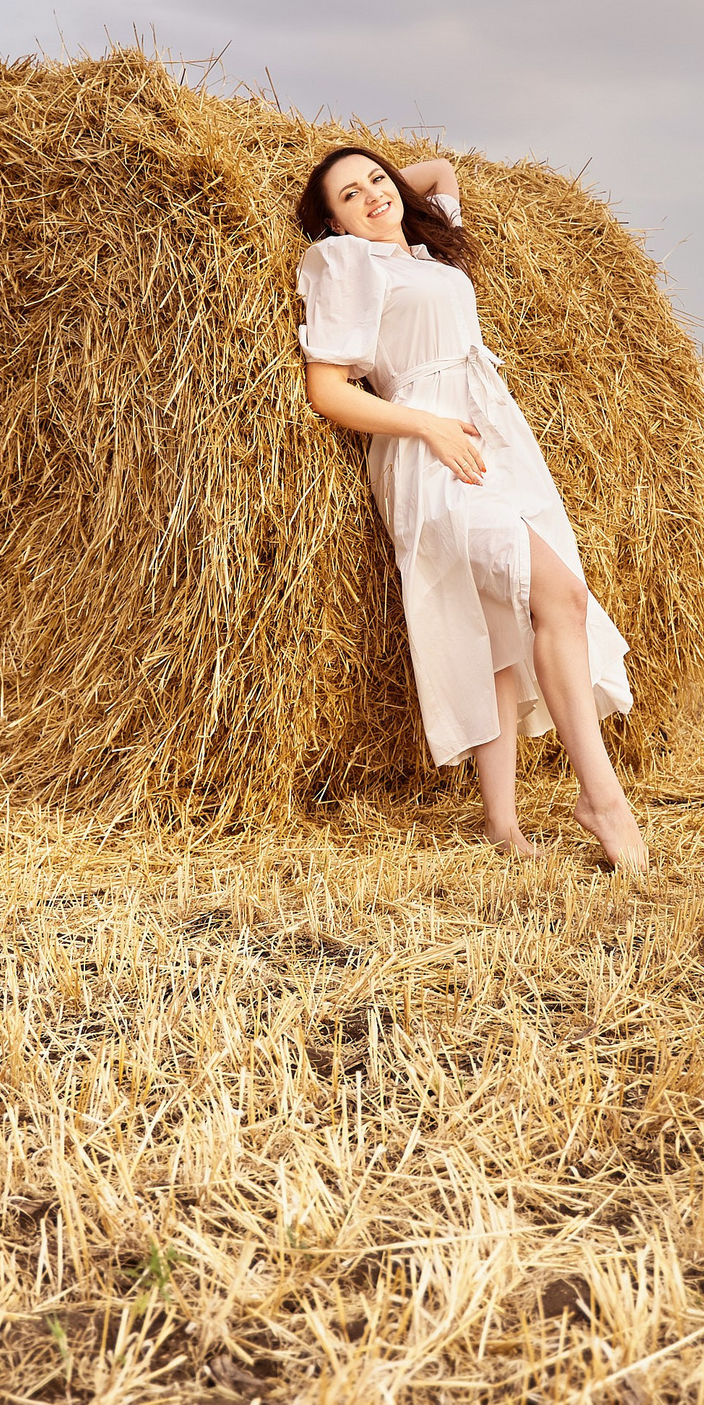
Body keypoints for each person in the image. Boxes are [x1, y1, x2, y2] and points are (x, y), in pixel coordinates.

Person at [293, 147, 649, 874]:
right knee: (559, 595)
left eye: (376, 182)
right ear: (330, 221)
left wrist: (392, 185)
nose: (372, 197)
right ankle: (602, 797)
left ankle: (502, 822)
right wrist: (427, 427)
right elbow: (326, 390)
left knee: (498, 627)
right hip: (429, 452)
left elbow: (436, 172)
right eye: (349, 195)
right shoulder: (345, 265)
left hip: (497, 444)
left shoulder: (425, 250)